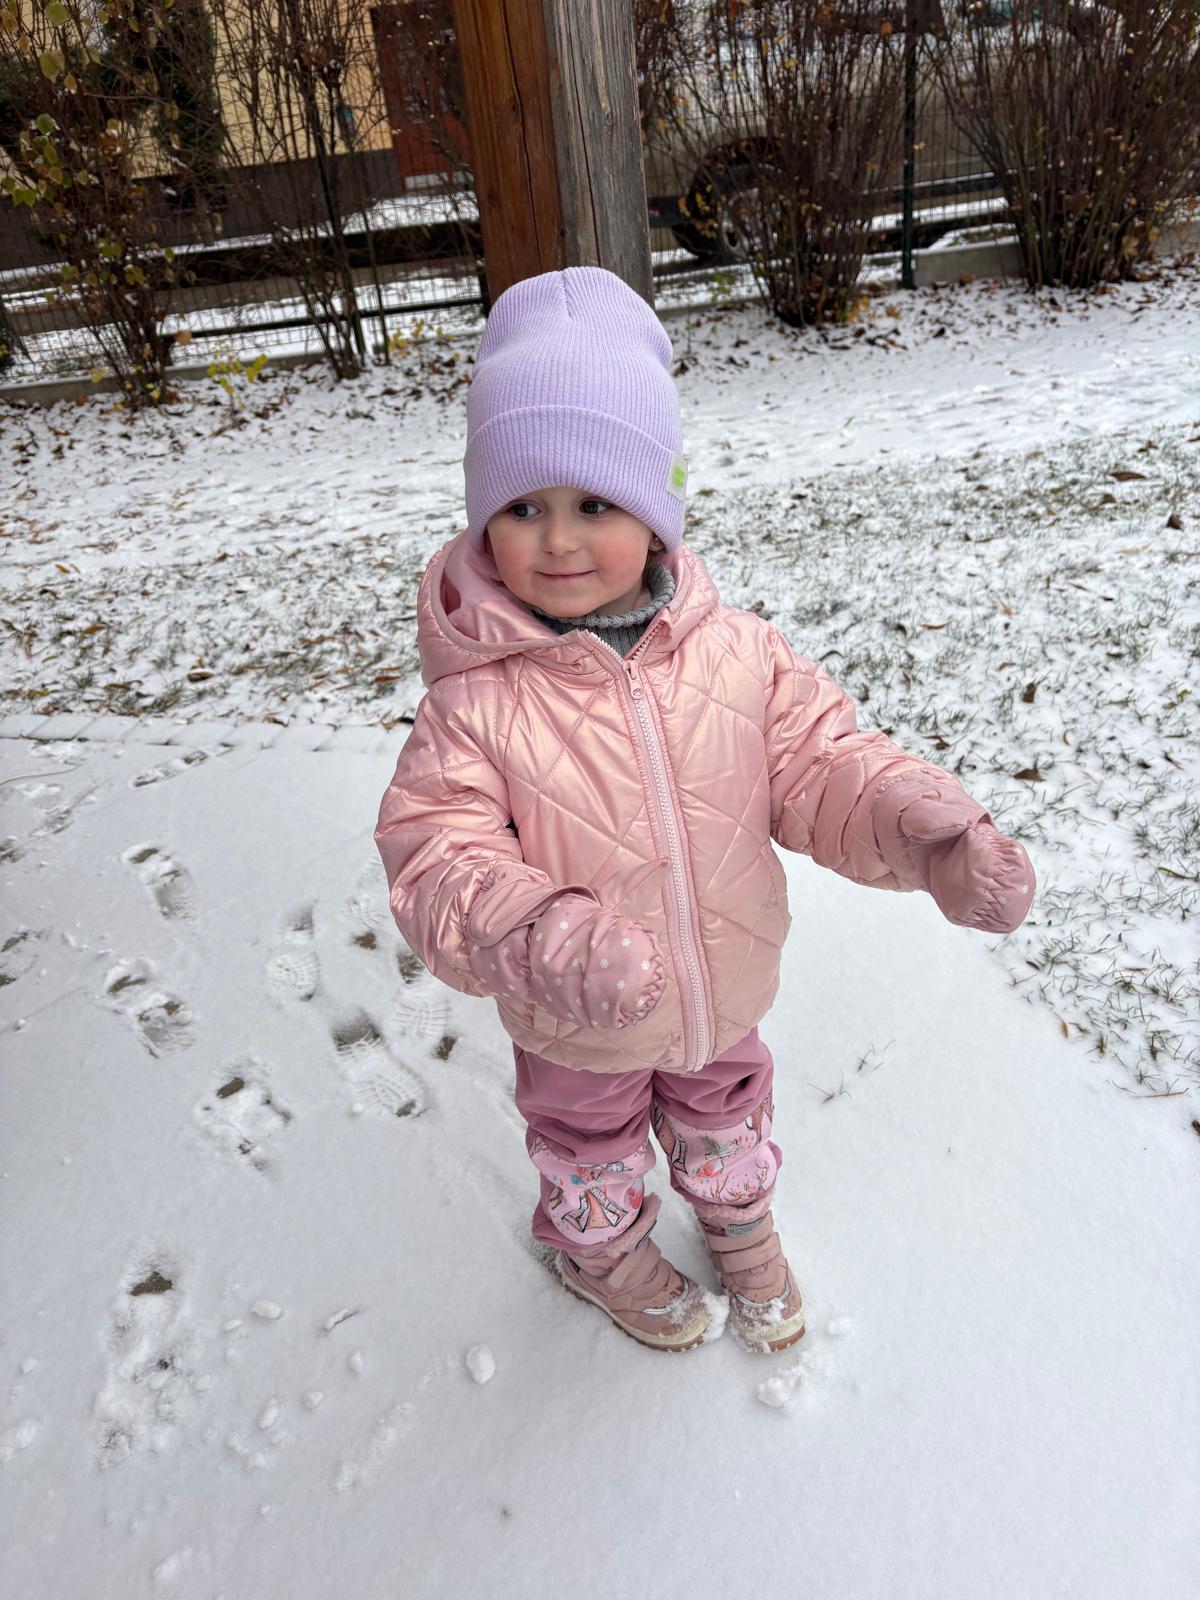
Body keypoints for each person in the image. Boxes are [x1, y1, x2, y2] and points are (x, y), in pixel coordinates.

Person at [374, 265, 1035, 1355]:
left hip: (720, 989)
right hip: (574, 1017)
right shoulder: (475, 703)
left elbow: (823, 764)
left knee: (725, 1111)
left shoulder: (739, 655)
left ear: (658, 511)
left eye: (595, 503)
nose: (558, 539)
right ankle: (597, 1251)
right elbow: (436, 860)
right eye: (523, 508)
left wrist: (926, 834)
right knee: (586, 1144)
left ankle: (736, 1220)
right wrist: (541, 935)